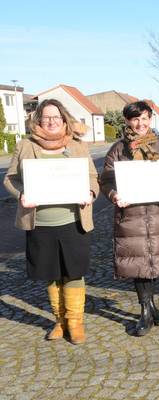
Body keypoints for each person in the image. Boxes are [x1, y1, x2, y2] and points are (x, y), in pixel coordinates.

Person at [3, 99, 98, 344]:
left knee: (73, 272)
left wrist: (90, 193)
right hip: (41, 222)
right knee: (51, 273)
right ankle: (60, 321)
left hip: (72, 220)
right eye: (47, 117)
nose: (52, 121)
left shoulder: (77, 146)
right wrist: (21, 195)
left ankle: (76, 322)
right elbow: (10, 179)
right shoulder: (25, 146)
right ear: (38, 120)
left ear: (64, 119)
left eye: (56, 116)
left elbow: (92, 177)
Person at [99, 101, 159, 337]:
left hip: (156, 213)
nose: (140, 123)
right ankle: (145, 310)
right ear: (127, 121)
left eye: (144, 118)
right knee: (138, 263)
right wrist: (113, 195)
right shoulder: (118, 150)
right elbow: (105, 181)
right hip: (130, 215)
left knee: (153, 262)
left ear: (150, 119)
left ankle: (151, 305)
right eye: (135, 119)